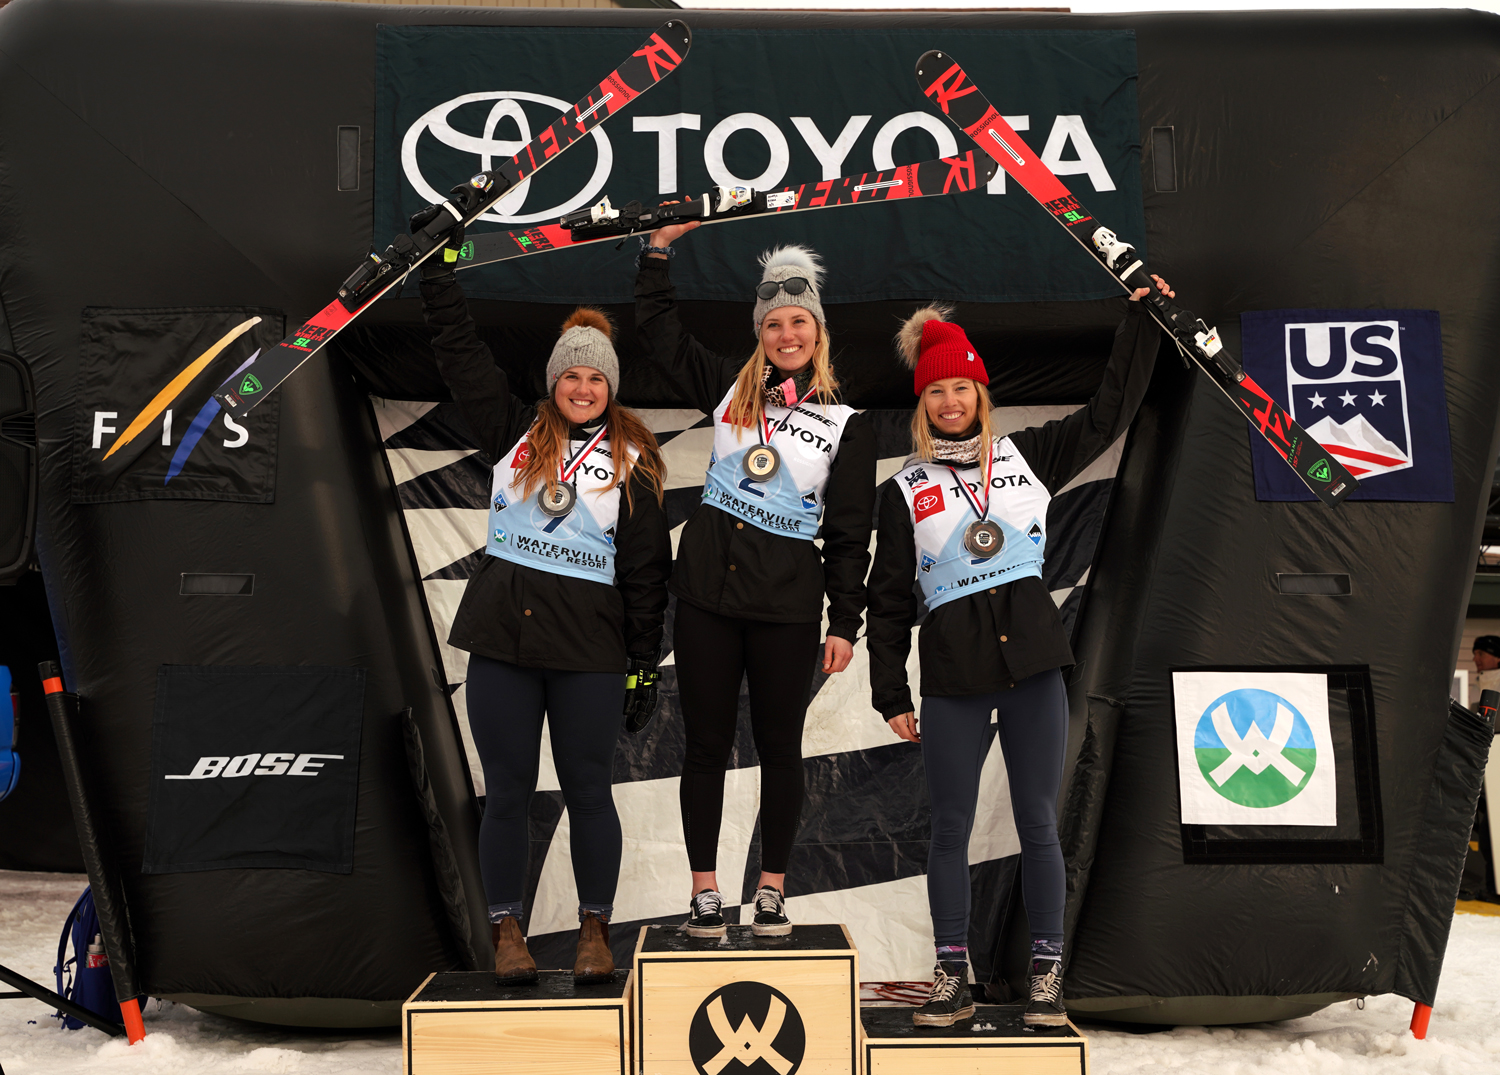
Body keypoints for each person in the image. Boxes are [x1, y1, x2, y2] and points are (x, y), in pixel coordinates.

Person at [867, 277, 1170, 1027]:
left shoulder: (1029, 456)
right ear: (922, 403)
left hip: (1034, 669)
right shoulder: (906, 488)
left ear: (979, 390)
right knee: (949, 827)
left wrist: (1142, 321)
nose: (949, 403)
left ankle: (1045, 972)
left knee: (1038, 820)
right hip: (953, 679)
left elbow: (1111, 410)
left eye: (960, 388)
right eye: (935, 392)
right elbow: (889, 599)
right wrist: (891, 693)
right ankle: (950, 974)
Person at [415, 209, 672, 984]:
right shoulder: (513, 430)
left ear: (610, 385)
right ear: (554, 380)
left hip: (588, 653)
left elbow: (646, 573)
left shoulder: (633, 459)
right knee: (508, 795)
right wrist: (438, 275)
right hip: (503, 646)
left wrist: (642, 664)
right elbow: (459, 353)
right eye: (572, 374)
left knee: (590, 790)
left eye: (596, 376)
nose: (583, 386)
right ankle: (507, 933)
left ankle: (596, 930)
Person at [635, 227, 876, 937]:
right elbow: (657, 331)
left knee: (780, 746)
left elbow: (851, 531)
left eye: (799, 322)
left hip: (787, 609)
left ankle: (771, 888)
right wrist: (656, 255)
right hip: (707, 596)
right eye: (773, 324)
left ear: (818, 330)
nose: (787, 333)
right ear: (760, 333)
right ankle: (704, 889)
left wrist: (843, 622)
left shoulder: (845, 420)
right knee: (705, 744)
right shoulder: (729, 390)